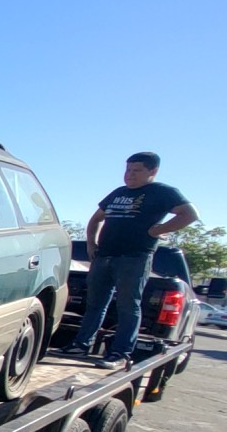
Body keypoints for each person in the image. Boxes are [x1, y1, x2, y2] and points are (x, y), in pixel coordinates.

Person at [55, 152, 199, 369]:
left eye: (137, 170)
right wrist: (91, 244)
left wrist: (158, 229)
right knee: (95, 304)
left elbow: (189, 214)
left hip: (134, 257)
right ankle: (81, 344)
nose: (130, 175)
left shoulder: (162, 192)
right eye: (128, 170)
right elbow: (96, 219)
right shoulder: (118, 193)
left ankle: (120, 353)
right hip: (104, 256)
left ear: (153, 171)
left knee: (128, 305)